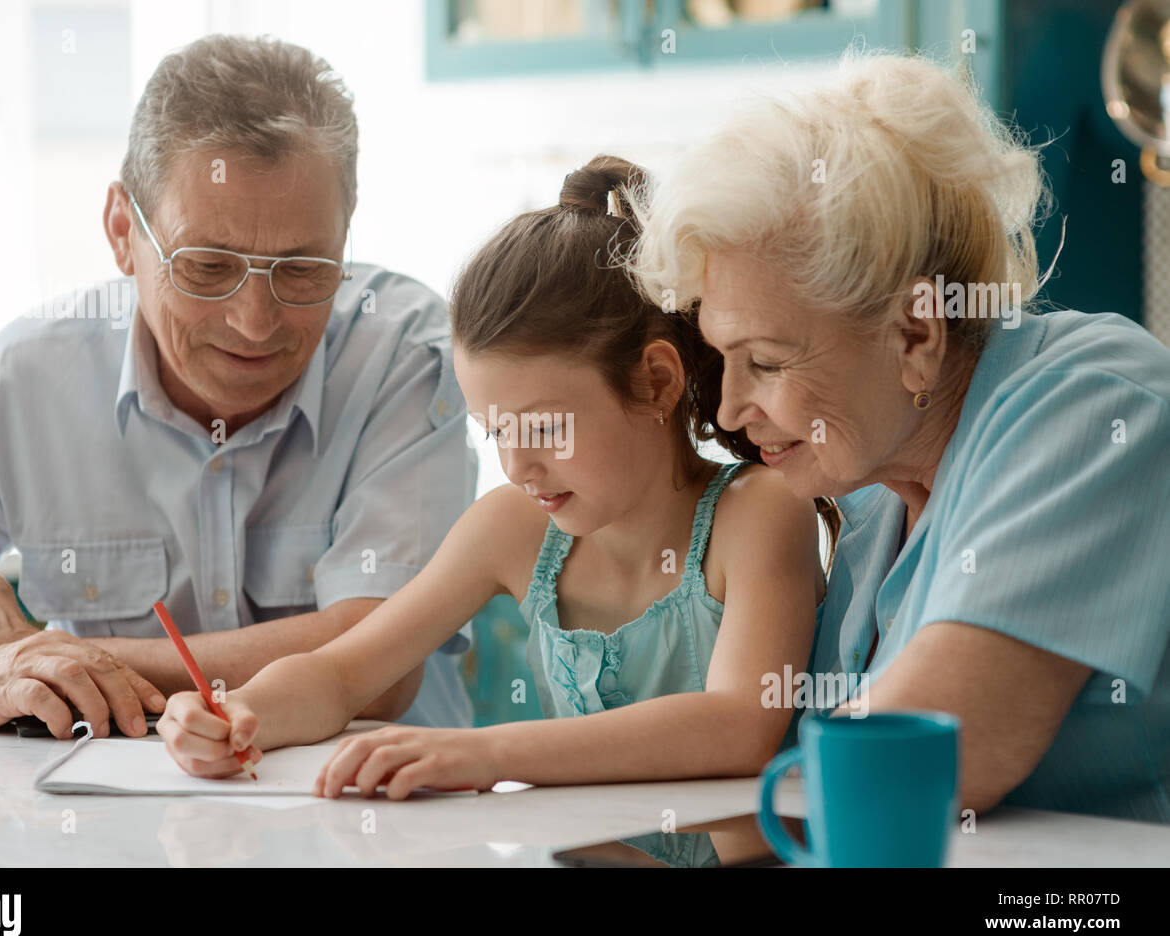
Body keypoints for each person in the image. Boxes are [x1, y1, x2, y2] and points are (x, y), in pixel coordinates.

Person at [158, 156, 835, 808]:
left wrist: (490, 753)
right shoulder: (514, 528)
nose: (517, 468)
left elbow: (739, 723)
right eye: (496, 431)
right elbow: (341, 673)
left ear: (656, 381)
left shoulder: (759, 513)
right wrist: (238, 711)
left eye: (542, 430)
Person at [0, 34, 476, 736]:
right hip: (103, 830)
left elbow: (378, 665)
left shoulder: (406, 357)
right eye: (208, 266)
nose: (256, 323)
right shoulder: (19, 386)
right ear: (123, 230)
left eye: (304, 269)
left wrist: (45, 659)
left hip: (375, 828)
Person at [631, 52, 1170, 822]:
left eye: (767, 361)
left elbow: (928, 762)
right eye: (724, 360)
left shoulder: (1096, 401)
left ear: (915, 331)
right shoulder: (876, 492)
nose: (729, 409)